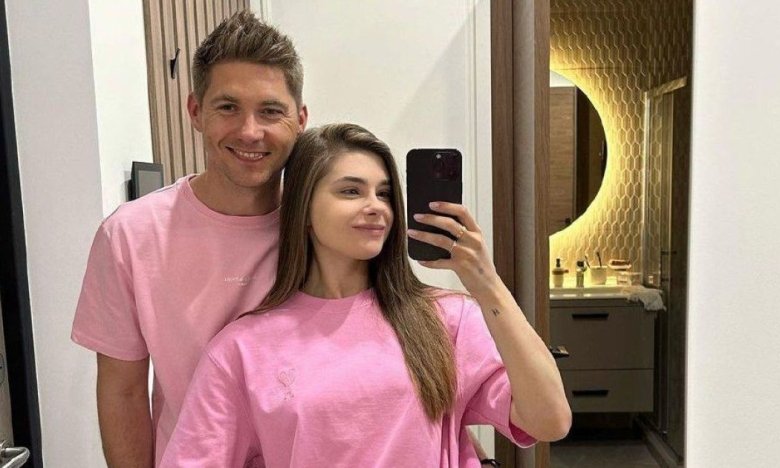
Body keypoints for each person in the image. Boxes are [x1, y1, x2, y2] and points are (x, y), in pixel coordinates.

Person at [160, 123, 572, 467]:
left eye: (385, 193)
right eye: (351, 191)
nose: (376, 207)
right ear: (303, 209)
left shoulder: (444, 320)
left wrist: (487, 285)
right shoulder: (242, 350)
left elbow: (549, 420)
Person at [71, 11, 307, 466]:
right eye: (228, 107)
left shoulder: (323, 228)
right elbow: (122, 391)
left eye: (270, 111)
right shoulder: (131, 236)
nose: (250, 131)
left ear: (299, 119)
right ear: (195, 111)